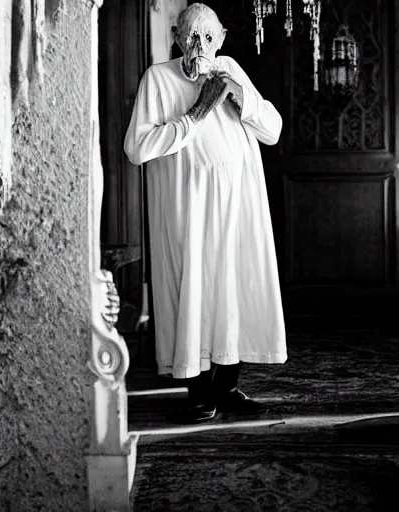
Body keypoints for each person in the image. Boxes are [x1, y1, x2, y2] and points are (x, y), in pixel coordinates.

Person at [124, 3, 287, 423]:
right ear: (176, 36)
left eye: (208, 38)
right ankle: (199, 394)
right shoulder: (157, 79)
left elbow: (272, 129)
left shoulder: (229, 67)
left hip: (239, 209)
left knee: (234, 288)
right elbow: (137, 148)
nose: (200, 46)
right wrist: (196, 114)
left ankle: (228, 386)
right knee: (192, 291)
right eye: (192, 36)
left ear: (222, 38)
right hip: (188, 213)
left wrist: (241, 96)